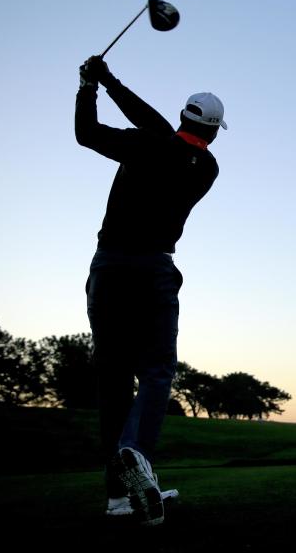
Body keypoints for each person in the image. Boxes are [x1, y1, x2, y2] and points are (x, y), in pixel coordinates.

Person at [75, 56, 223, 525]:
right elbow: (156, 125)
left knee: (114, 380)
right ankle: (133, 455)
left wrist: (92, 86)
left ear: (182, 117)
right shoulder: (207, 166)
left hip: (109, 267)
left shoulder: (146, 145)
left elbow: (88, 132)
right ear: (216, 131)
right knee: (157, 369)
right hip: (153, 270)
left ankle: (119, 495)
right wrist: (108, 81)